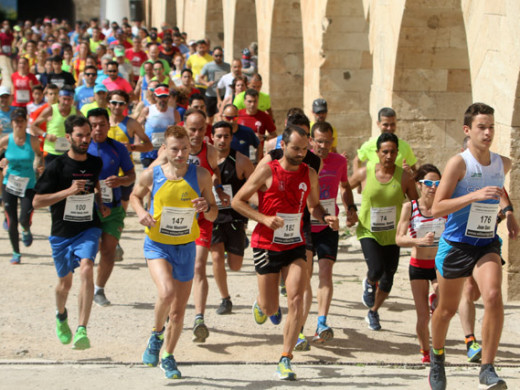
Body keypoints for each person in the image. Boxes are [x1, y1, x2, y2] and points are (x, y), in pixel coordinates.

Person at [232, 125, 338, 380]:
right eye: (295, 148)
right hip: (266, 244)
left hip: (295, 244)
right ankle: (262, 303)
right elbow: (237, 201)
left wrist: (327, 216)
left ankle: (285, 358)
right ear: (283, 145)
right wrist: (263, 218)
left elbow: (313, 206)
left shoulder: (310, 173)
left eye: (304, 149)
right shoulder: (268, 170)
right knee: (271, 308)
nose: (301, 153)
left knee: (297, 299)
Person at [429, 103, 518, 390]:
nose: (488, 132)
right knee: (446, 309)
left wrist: (509, 211)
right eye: (482, 127)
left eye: (491, 126)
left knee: (493, 295)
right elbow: (436, 208)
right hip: (456, 244)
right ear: (467, 130)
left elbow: (498, 185)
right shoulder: (459, 163)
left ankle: (487, 368)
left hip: (486, 242)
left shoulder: (502, 163)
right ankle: (437, 357)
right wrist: (472, 196)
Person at [130, 125, 217, 379]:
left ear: (190, 149)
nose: (180, 154)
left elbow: (213, 213)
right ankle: (156, 335)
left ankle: (168, 355)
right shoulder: (152, 175)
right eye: (175, 149)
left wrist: (205, 206)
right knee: (166, 292)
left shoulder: (200, 175)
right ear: (164, 149)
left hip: (185, 247)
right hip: (157, 244)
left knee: (179, 311)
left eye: (185, 149)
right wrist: (141, 212)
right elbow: (135, 196)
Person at [33, 115, 109, 350]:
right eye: (80, 135)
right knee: (64, 285)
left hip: (88, 226)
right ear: (68, 137)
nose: (86, 139)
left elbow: (96, 184)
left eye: (88, 134)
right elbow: (37, 201)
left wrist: (100, 202)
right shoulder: (56, 166)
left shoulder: (95, 163)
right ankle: (61, 315)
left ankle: (82, 328)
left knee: (87, 266)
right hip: (62, 232)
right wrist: (67, 191)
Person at [349, 132, 418, 331]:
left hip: (393, 234)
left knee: (388, 278)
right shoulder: (365, 172)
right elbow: (345, 186)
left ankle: (373, 311)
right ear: (377, 153)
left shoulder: (404, 176)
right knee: (377, 269)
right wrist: (350, 209)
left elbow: (415, 202)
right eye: (385, 152)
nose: (389, 156)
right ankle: (369, 282)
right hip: (368, 231)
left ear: (397, 153)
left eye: (393, 152)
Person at [309, 121, 358, 343]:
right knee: (302, 278)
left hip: (330, 225)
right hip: (305, 225)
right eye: (319, 141)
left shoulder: (339, 162)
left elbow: (346, 187)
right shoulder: (303, 161)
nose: (324, 146)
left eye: (328, 141)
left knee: (326, 271)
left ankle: (321, 321)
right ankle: (298, 324)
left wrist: (350, 208)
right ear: (311, 141)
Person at [395, 164, 446, 363]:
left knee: (442, 304)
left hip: (438, 265)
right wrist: (418, 241)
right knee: (423, 316)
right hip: (418, 265)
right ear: (419, 185)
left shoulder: (445, 206)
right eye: (428, 183)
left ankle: (438, 348)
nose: (433, 187)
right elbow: (399, 238)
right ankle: (426, 351)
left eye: (437, 183)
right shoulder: (411, 207)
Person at [87, 108, 135, 306]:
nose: (98, 129)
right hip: (87, 209)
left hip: (113, 208)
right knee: (90, 250)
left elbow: (132, 176)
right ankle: (86, 285)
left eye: (102, 125)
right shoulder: (81, 148)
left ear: (109, 125)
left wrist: (120, 180)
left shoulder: (118, 148)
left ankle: (99, 289)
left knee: (108, 251)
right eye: (93, 125)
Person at [209, 121, 254, 314]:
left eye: (226, 136)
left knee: (235, 266)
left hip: (235, 218)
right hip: (213, 216)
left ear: (231, 138)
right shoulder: (204, 161)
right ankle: (225, 299)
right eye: (218, 136)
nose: (222, 140)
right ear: (212, 137)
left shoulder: (241, 161)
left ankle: (239, 241)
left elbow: (255, 186)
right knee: (217, 257)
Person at [0, 108, 42, 264]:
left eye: (21, 121)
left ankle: (26, 228)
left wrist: (38, 166)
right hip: (9, 183)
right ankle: (16, 252)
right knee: (11, 220)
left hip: (28, 184)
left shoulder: (33, 140)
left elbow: (38, 155)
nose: (18, 124)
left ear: (26, 122)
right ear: (12, 123)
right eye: (16, 121)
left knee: (23, 218)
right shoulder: (6, 140)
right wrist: (2, 163)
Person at [107, 89, 152, 211]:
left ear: (126, 106)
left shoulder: (131, 123)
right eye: (114, 102)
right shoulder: (102, 122)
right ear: (108, 104)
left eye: (121, 104)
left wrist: (132, 147)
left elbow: (149, 145)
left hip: (125, 173)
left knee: (120, 212)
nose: (117, 106)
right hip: (104, 172)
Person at [354, 107, 417, 174]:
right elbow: (357, 160)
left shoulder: (405, 146)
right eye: (385, 124)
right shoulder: (369, 145)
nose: (389, 128)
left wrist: (409, 172)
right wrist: (358, 180)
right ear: (378, 124)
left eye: (392, 124)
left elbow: (414, 171)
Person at [31, 85, 78, 166]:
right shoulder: (51, 110)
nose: (66, 102)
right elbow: (34, 126)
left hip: (69, 152)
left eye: (69, 99)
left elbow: (86, 127)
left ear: (72, 100)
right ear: (59, 98)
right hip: (51, 152)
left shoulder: (76, 112)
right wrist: (45, 135)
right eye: (64, 99)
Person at [138, 85, 177, 168]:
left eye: (165, 96)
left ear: (169, 97)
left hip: (166, 151)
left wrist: (174, 129)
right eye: (160, 97)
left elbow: (180, 131)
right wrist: (137, 142)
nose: (162, 99)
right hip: (149, 152)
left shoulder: (174, 112)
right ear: (155, 97)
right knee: (148, 176)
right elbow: (137, 127)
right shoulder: (148, 110)